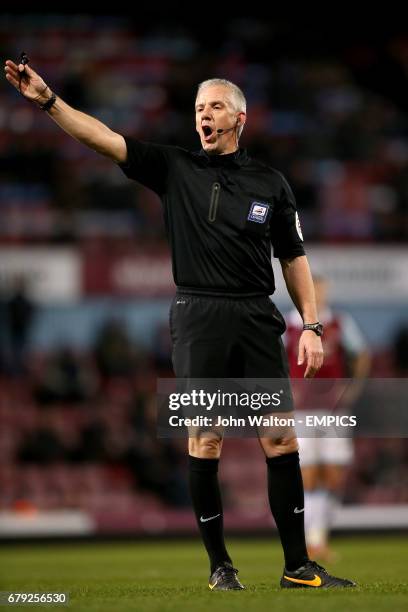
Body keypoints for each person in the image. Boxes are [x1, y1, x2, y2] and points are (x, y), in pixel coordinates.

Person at [4, 58, 355, 590]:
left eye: (214, 106)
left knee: (281, 440)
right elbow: (103, 138)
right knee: (205, 439)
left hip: (257, 317)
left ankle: (298, 568)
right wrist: (50, 102)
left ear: (240, 118)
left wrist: (311, 325)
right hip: (199, 315)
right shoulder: (173, 167)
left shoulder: (271, 183)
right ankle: (220, 568)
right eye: (198, 109)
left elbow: (293, 259)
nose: (203, 116)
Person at [285, 275, 371, 560]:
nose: (318, 295)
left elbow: (362, 355)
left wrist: (352, 388)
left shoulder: (339, 323)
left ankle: (317, 536)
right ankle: (311, 540)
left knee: (333, 476)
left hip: (334, 411)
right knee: (308, 475)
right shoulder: (289, 324)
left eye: (321, 290)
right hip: (303, 412)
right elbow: (271, 357)